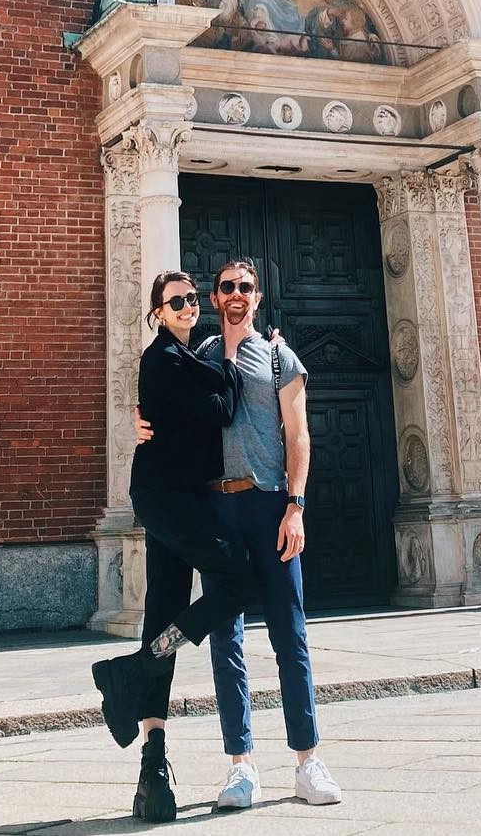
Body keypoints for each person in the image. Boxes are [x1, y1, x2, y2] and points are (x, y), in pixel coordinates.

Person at [136, 258, 342, 810]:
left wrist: (296, 506)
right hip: (215, 507)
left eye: (245, 287)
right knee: (226, 639)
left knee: (289, 634)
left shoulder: (279, 356)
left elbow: (298, 435)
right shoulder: (200, 354)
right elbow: (165, 402)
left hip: (270, 505)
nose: (235, 294)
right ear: (215, 296)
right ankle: (240, 766)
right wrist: (141, 418)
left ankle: (307, 759)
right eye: (226, 287)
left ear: (257, 296)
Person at [91, 268, 262, 825]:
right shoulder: (163, 358)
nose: (188, 306)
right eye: (176, 301)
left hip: (180, 496)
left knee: (163, 612)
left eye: (191, 298)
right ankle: (137, 670)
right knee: (240, 579)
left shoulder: (191, 356)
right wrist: (231, 362)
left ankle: (153, 765)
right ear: (157, 312)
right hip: (166, 498)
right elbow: (222, 409)